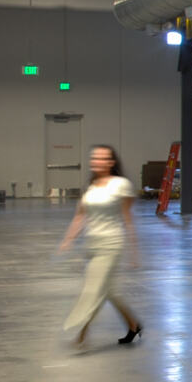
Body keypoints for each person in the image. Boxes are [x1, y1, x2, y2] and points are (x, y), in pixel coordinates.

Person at [61, 145, 145, 347]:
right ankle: (134, 325)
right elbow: (80, 215)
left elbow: (127, 218)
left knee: (93, 289)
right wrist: (69, 239)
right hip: (92, 244)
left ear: (111, 162)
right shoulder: (90, 187)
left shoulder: (121, 185)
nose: (97, 162)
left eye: (102, 158)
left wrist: (134, 251)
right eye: (94, 158)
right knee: (108, 290)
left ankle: (81, 334)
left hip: (111, 244)